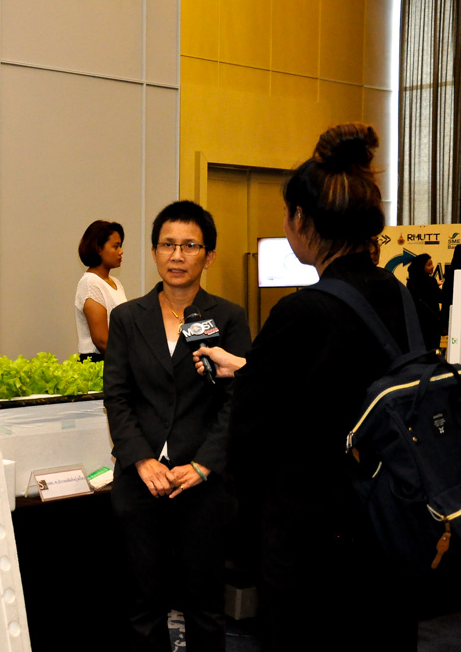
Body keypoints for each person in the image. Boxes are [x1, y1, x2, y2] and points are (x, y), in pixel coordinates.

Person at [210, 123, 418, 651]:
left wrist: (244, 537)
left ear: (301, 219)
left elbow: (250, 441)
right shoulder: (405, 297)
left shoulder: (302, 312)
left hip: (314, 547)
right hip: (394, 528)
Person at [104, 201, 251, 652]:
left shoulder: (228, 317)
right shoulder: (128, 318)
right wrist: (140, 459)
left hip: (203, 484)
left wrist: (204, 465)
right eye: (167, 244)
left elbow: (236, 400)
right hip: (141, 481)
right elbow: (117, 396)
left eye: (190, 246)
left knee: (204, 607)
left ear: (208, 256)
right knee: (142, 605)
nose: (177, 255)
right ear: (154, 252)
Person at [75, 220, 127, 360]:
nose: (121, 251)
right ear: (98, 249)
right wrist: (130, 361)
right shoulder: (90, 283)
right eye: (115, 246)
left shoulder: (116, 282)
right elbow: (101, 341)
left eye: (120, 246)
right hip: (98, 360)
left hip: (115, 357)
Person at [407, 253, 442, 350]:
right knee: (433, 349)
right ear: (421, 267)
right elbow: (440, 297)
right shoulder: (431, 281)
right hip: (432, 323)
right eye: (429, 265)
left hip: (417, 323)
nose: (433, 266)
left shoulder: (410, 283)